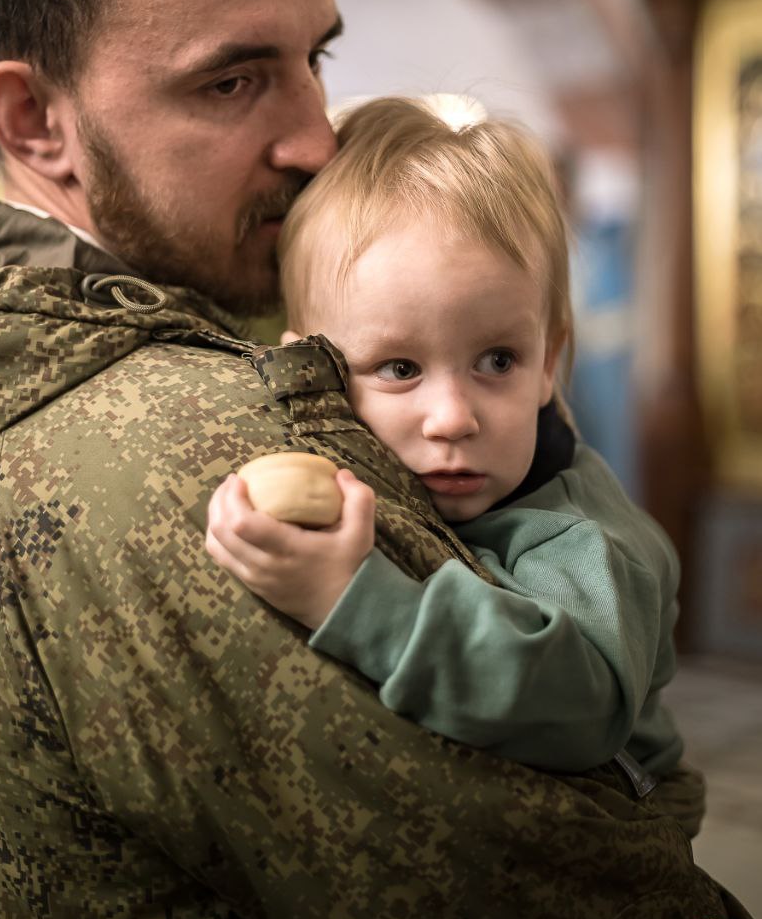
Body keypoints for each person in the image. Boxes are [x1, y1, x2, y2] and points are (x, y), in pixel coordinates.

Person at [0, 0, 757, 919]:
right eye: (231, 80)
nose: (316, 136)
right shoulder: (206, 463)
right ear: (34, 119)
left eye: (316, 58)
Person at [205, 98, 699, 828]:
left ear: (547, 363)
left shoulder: (584, 541)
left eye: (497, 360)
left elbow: (576, 709)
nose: (452, 418)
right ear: (315, 373)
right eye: (399, 368)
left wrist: (354, 599)